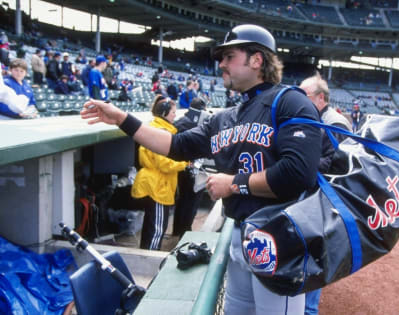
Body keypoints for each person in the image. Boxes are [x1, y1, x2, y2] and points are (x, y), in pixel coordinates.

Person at [81, 24, 322, 314]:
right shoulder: (225, 117)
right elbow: (175, 144)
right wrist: (122, 118)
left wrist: (233, 184)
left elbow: (298, 174)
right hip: (238, 233)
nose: (220, 64)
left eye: (229, 56)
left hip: (279, 237)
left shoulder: (290, 102)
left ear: (257, 60)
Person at [299, 72, 352, 315]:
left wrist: (303, 164)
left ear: (320, 98)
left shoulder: (334, 123)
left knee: (315, 257)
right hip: (314, 198)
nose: (299, 100)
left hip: (325, 201)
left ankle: (308, 311)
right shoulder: (317, 118)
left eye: (304, 95)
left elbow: (337, 166)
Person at [130, 95, 188, 250]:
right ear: (164, 114)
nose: (175, 115)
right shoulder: (160, 132)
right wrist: (185, 162)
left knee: (152, 225)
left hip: (158, 184)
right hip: (157, 186)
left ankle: (146, 254)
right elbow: (164, 163)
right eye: (173, 112)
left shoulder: (156, 129)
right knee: (157, 228)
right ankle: (150, 260)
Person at [172, 97, 211, 238]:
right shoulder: (197, 124)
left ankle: (178, 230)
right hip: (190, 167)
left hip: (180, 168)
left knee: (182, 200)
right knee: (191, 201)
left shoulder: (179, 122)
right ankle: (184, 231)